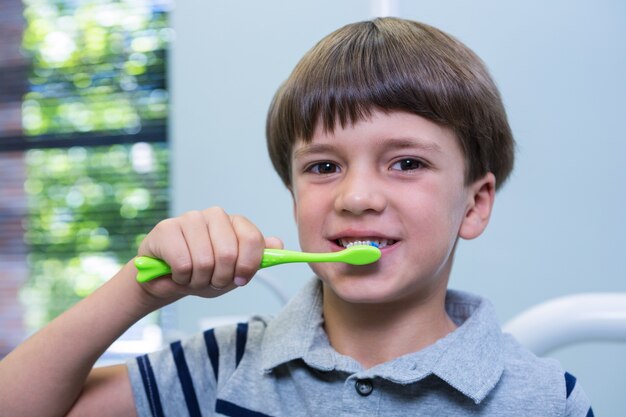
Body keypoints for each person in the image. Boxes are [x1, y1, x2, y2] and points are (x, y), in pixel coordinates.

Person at [0, 17, 593, 416]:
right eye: (324, 168)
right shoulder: (220, 367)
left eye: (406, 162)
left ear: (475, 202)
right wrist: (138, 289)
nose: (357, 196)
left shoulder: (548, 400)